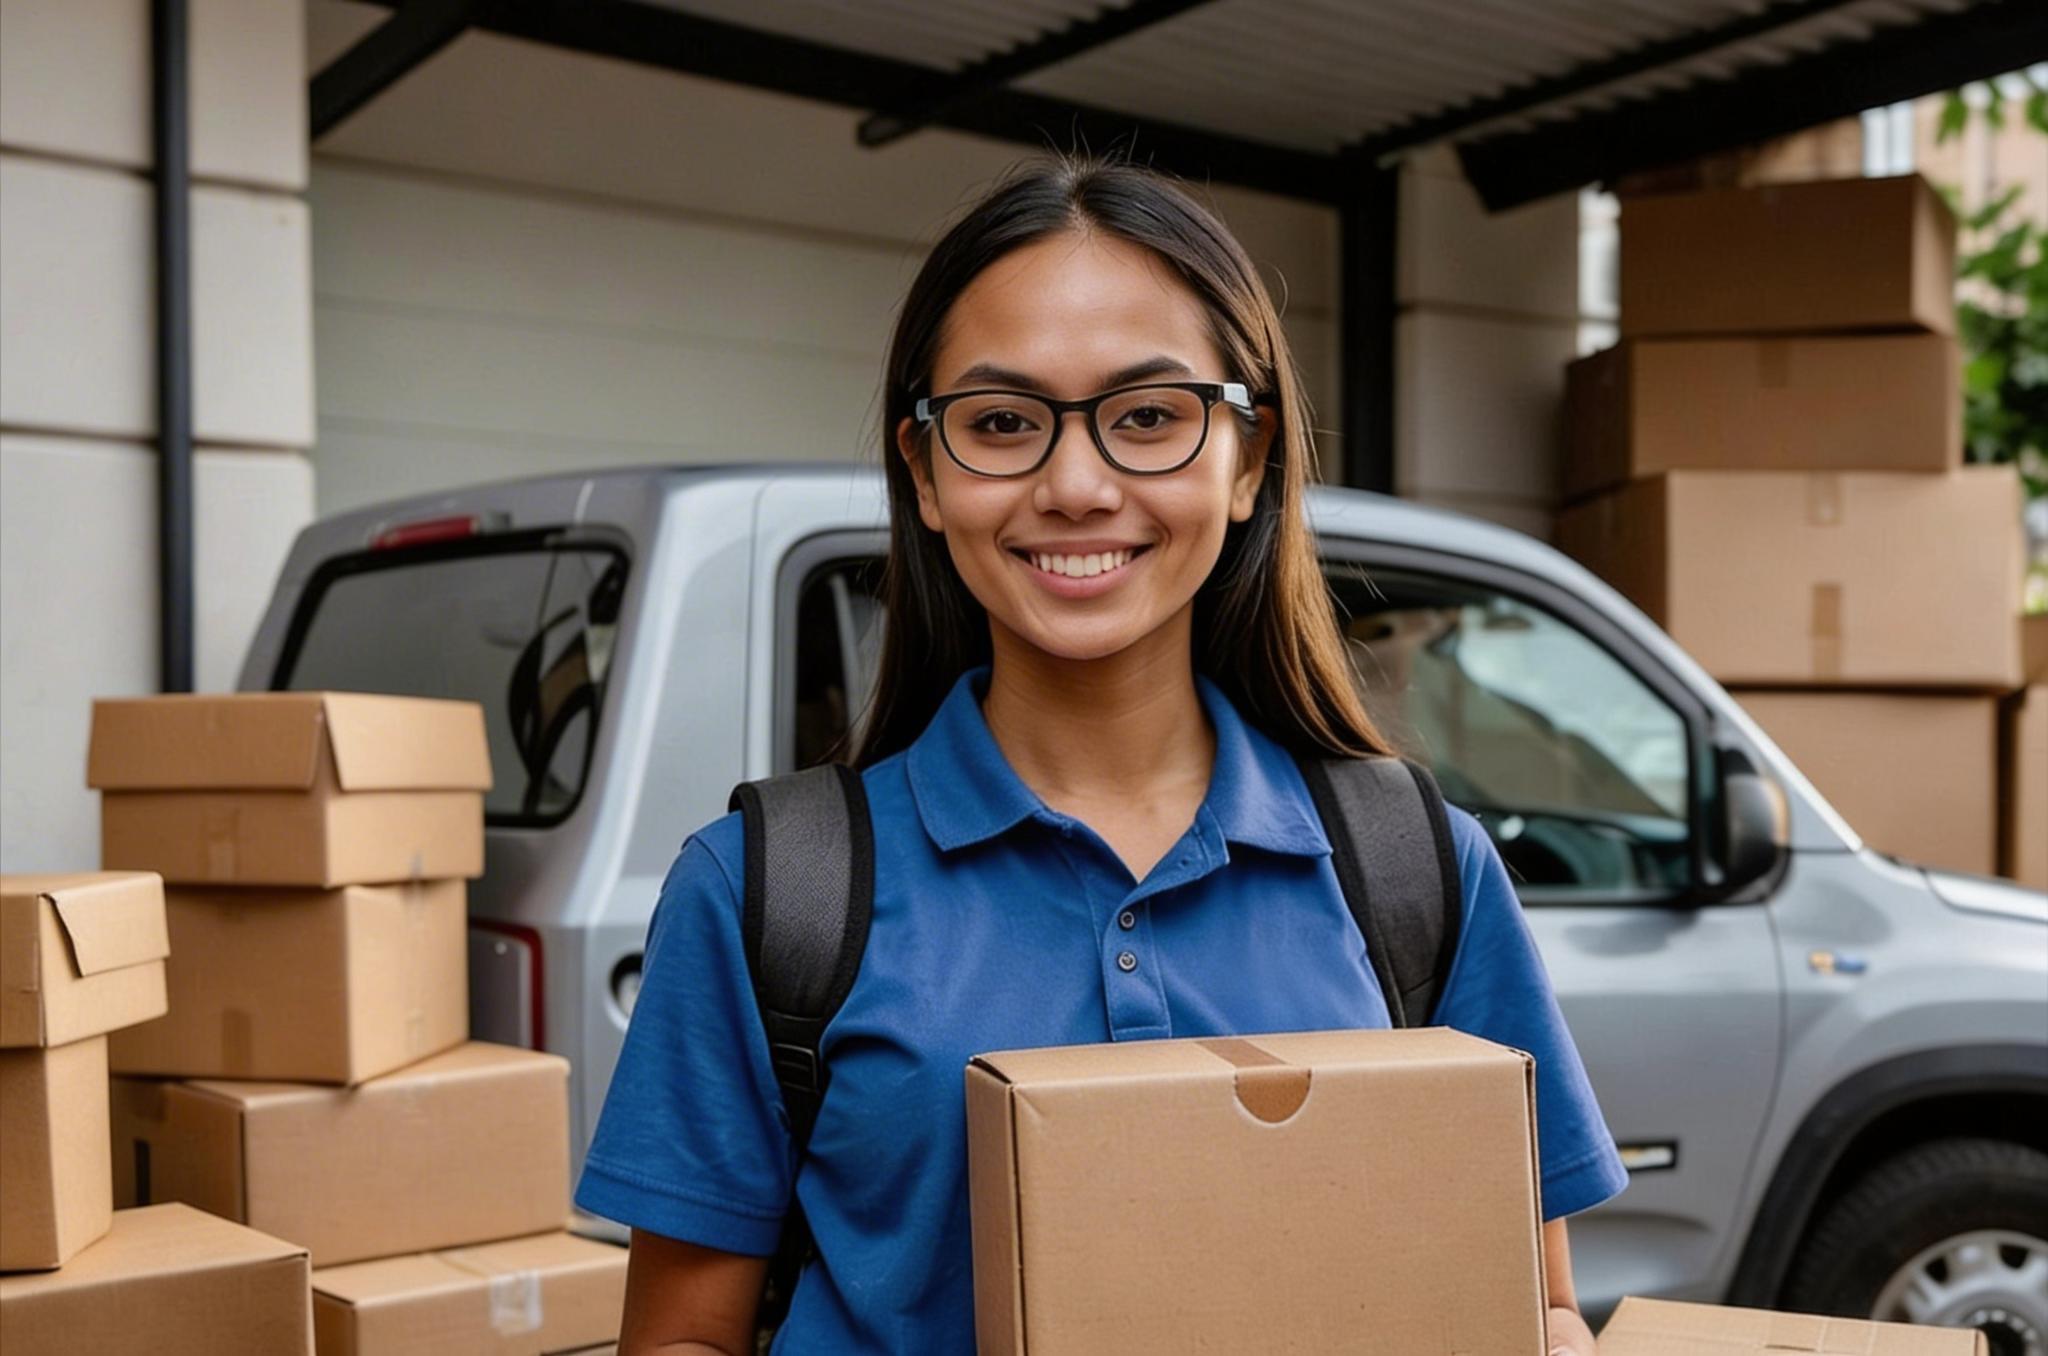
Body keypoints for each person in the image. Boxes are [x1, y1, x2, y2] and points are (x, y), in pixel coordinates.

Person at [575, 154, 1628, 1356]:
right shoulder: (767, 891)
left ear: (1246, 460)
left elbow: (1531, 1303)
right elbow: (680, 1340)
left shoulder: (1412, 868)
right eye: (1001, 423)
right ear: (923, 471)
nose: (1075, 485)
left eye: (1146, 418)